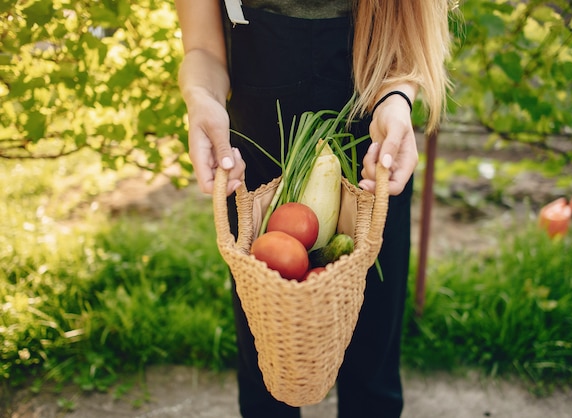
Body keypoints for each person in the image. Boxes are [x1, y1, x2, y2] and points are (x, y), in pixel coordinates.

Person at [174, 1, 452, 417]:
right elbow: (203, 50)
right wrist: (201, 99)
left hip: (371, 136)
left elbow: (406, 37)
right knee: (267, 352)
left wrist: (396, 100)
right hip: (259, 143)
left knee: (373, 345)